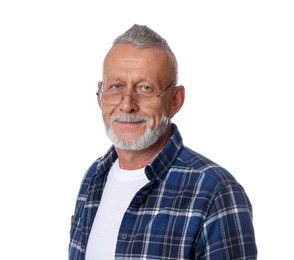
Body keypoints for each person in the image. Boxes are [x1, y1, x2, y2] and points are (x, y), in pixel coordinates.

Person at [69, 24, 257, 260]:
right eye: (116, 87)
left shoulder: (214, 191)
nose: (127, 105)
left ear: (175, 101)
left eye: (145, 88)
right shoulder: (94, 178)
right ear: (100, 95)